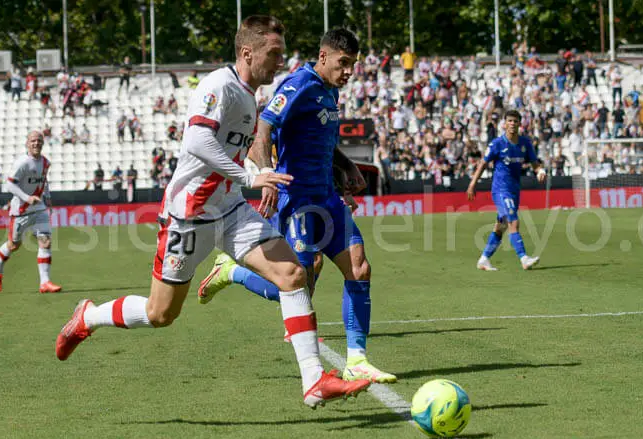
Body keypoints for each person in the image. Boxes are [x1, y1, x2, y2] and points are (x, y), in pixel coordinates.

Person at [53, 16, 371, 409]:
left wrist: (255, 177)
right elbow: (197, 139)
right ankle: (88, 317)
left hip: (230, 209)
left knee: (293, 274)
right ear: (247, 52)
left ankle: (314, 381)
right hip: (189, 214)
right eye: (273, 54)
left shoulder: (250, 97)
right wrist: (249, 176)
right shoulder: (219, 86)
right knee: (160, 313)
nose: (279, 62)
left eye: (281, 54)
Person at [196, 28, 396, 385]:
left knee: (359, 267)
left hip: (327, 198)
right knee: (296, 282)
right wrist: (267, 172)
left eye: (353, 64)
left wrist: (347, 168)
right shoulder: (298, 84)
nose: (349, 71)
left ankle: (358, 360)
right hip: (298, 200)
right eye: (343, 63)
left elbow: (320, 140)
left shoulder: (330, 90)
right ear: (323, 57)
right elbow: (264, 128)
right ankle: (232, 272)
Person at [466, 109, 546, 271]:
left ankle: (483, 259)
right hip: (501, 190)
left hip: (515, 189)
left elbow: (534, 163)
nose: (512, 124)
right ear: (504, 124)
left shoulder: (525, 143)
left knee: (500, 226)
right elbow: (483, 163)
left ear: (519, 124)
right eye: (509, 121)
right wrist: (473, 183)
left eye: (515, 121)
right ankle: (524, 258)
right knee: (513, 221)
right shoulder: (497, 144)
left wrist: (540, 171)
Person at [0, 131, 61, 293]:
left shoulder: (45, 163)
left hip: (39, 208)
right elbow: (9, 185)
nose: (36, 143)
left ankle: (45, 282)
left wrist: (48, 198)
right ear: (27, 143)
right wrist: (27, 198)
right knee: (14, 245)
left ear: (43, 143)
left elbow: (44, 182)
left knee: (45, 241)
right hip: (20, 211)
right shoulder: (22, 163)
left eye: (39, 140)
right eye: (33, 141)